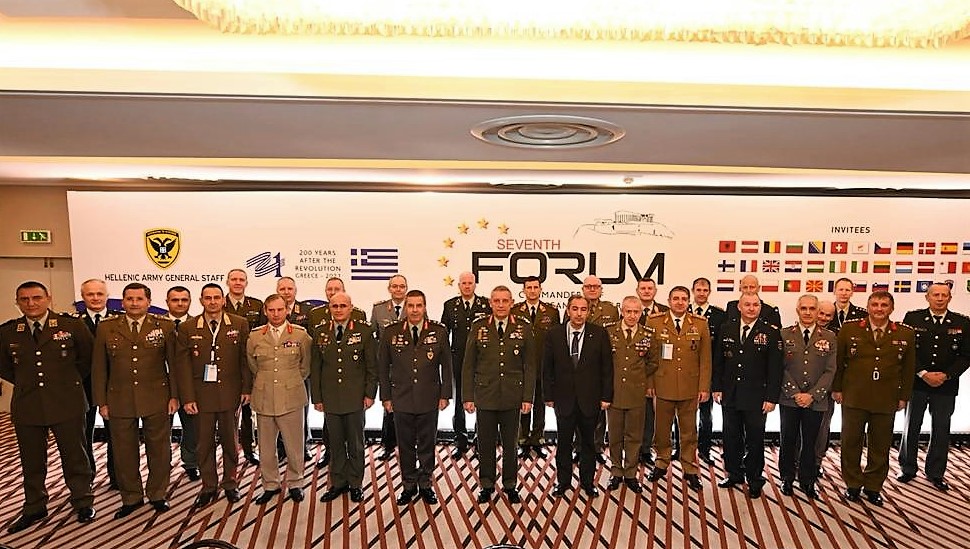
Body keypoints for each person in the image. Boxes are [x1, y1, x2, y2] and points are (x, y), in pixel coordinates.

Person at [1, 281, 96, 532]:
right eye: (24, 299)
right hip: (28, 404)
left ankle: (82, 501)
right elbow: (5, 367)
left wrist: (67, 382)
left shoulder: (71, 326)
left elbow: (87, 359)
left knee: (75, 456)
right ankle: (35, 506)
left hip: (67, 401)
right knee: (32, 460)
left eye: (36, 298)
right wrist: (28, 382)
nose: (31, 303)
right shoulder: (8, 332)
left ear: (48, 298)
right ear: (17, 302)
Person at [92, 282, 179, 518]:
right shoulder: (106, 327)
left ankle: (158, 493)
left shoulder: (165, 326)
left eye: (139, 299)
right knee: (123, 452)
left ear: (148, 302)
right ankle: (131, 497)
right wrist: (102, 402)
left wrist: (175, 396)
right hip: (119, 398)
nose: (134, 303)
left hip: (157, 396)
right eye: (129, 299)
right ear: (122, 302)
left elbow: (174, 365)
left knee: (159, 450)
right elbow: (99, 367)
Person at [833, 291, 915, 506]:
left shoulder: (905, 333)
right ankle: (852, 483)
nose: (879, 309)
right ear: (868, 307)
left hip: (886, 398)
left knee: (880, 445)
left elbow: (908, 369)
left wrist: (904, 396)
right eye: (875, 304)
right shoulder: (850, 329)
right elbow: (838, 362)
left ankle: (873, 486)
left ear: (891, 308)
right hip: (854, 396)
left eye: (884, 305)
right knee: (851, 442)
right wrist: (837, 388)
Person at [176, 283, 252, 508]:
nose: (212, 302)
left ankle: (230, 483)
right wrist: (187, 398)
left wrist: (246, 389)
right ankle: (208, 486)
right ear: (201, 301)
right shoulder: (188, 327)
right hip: (201, 396)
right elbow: (183, 367)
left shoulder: (239, 323)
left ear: (223, 300)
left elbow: (244, 360)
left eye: (216, 297)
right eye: (207, 298)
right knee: (204, 443)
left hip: (230, 393)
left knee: (231, 442)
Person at [463, 286, 536, 504]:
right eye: (497, 301)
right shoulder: (478, 326)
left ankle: (510, 484)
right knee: (485, 444)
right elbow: (469, 364)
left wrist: (528, 397)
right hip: (485, 394)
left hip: (512, 396)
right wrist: (468, 396)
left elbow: (530, 366)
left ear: (512, 302)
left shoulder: (523, 327)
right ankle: (486, 484)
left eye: (505, 301)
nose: (501, 305)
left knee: (511, 445)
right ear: (491, 303)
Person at [378, 290, 452, 506]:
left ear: (425, 307)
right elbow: (383, 367)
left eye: (419, 305)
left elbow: (447, 367)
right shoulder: (391, 332)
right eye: (410, 306)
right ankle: (409, 484)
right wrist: (386, 397)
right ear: (406, 307)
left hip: (429, 397)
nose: (415, 310)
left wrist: (445, 394)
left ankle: (426, 483)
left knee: (427, 444)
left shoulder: (438, 331)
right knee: (406, 445)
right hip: (401, 398)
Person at [898, 283, 970, 491]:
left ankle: (936, 472)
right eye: (935, 295)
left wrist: (946, 375)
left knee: (941, 428)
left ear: (949, 298)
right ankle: (907, 468)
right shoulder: (913, 318)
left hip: (946, 385)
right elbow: (907, 350)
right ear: (927, 297)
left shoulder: (962, 322)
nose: (939, 298)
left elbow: (966, 355)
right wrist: (923, 373)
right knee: (911, 425)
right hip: (917, 382)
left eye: (944, 295)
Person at [713, 292, 783, 499]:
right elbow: (718, 362)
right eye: (747, 304)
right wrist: (717, 387)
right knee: (731, 436)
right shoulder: (726, 328)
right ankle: (734, 473)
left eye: (755, 305)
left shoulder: (770, 332)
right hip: (731, 394)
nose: (752, 308)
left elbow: (775, 369)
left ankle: (754, 479)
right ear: (739, 307)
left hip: (756, 396)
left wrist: (771, 398)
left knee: (755, 439)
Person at [544, 295, 612, 499]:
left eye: (583, 309)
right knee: (564, 443)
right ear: (568, 310)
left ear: (588, 312)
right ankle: (563, 481)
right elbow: (547, 368)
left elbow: (607, 368)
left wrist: (606, 396)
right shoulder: (554, 333)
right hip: (563, 399)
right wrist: (548, 395)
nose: (579, 313)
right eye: (575, 309)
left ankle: (587, 482)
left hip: (590, 399)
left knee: (588, 444)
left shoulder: (599, 334)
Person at [312, 292, 377, 504]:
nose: (338, 309)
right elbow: (316, 368)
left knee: (356, 444)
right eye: (335, 306)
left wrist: (370, 394)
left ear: (351, 308)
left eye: (343, 306)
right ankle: (338, 482)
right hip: (331, 398)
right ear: (329, 308)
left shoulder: (364, 331)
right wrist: (317, 397)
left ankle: (356, 483)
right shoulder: (320, 331)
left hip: (355, 398)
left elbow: (371, 367)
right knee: (336, 443)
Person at [248, 293, 312, 504]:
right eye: (271, 310)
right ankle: (270, 484)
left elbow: (305, 366)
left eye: (280, 309)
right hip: (264, 396)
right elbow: (252, 365)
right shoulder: (255, 336)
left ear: (287, 310)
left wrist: (289, 380)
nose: (276, 314)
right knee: (266, 448)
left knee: (294, 445)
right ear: (265, 312)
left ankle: (295, 482)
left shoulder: (301, 335)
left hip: (291, 396)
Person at [646, 286, 711, 491]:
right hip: (662, 385)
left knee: (689, 431)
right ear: (669, 301)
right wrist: (649, 383)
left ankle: (689, 467)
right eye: (676, 298)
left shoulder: (700, 323)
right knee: (661, 430)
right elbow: (649, 356)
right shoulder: (654, 322)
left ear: (688, 302)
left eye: (684, 299)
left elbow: (705, 359)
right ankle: (661, 462)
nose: (680, 302)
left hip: (690, 386)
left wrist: (704, 387)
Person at [777, 295, 836, 500]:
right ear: (797, 310)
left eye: (812, 308)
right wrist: (794, 393)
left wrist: (812, 395)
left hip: (816, 400)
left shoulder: (829, 337)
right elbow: (780, 367)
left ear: (818, 311)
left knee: (811, 441)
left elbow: (830, 370)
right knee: (788, 439)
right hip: (789, 398)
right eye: (804, 308)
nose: (808, 312)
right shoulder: (784, 334)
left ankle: (808, 480)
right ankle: (786, 477)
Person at [73, 278, 122, 489]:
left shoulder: (120, 320)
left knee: (117, 434)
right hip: (82, 387)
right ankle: (87, 477)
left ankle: (117, 476)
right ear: (83, 297)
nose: (95, 298)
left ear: (107, 296)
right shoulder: (73, 323)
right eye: (90, 294)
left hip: (114, 386)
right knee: (83, 435)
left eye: (99, 294)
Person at [605, 296, 657, 493]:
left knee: (634, 436)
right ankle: (616, 471)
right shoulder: (609, 332)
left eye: (636, 312)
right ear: (622, 311)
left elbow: (653, 362)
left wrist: (639, 377)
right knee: (615, 435)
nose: (632, 315)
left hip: (637, 392)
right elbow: (603, 361)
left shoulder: (648, 334)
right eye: (629, 311)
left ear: (641, 313)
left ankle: (630, 473)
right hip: (614, 391)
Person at [440, 272, 491, 459]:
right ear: (459, 285)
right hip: (458, 360)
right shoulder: (450, 305)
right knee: (459, 401)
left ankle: (480, 440)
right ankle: (460, 441)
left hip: (482, 360)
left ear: (475, 284)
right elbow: (443, 335)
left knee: (482, 400)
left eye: (470, 283)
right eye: (464, 283)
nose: (467, 286)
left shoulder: (485, 305)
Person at [511, 275, 558, 459]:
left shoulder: (551, 312)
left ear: (540, 289)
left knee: (540, 405)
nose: (532, 290)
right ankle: (522, 440)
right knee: (523, 404)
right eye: (529, 287)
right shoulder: (515, 311)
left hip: (542, 366)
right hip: (520, 367)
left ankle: (538, 439)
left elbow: (555, 341)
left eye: (535, 287)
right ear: (523, 290)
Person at [225, 268, 265, 467]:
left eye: (241, 279)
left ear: (246, 283)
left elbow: (264, 332)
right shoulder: (218, 303)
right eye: (234, 279)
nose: (237, 282)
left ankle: (249, 450)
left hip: (249, 364)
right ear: (228, 282)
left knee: (249, 412)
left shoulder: (257, 305)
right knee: (226, 413)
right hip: (226, 366)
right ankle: (228, 451)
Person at [163, 286, 199, 482]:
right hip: (161, 386)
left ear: (190, 302)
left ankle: (191, 463)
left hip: (189, 386)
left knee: (192, 428)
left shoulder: (197, 325)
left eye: (184, 300)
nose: (179, 303)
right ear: (167, 302)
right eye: (175, 300)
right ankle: (163, 464)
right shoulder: (157, 325)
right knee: (161, 430)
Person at [371, 274, 409, 461]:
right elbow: (372, 336)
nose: (398, 289)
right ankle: (387, 445)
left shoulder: (414, 307)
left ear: (406, 289)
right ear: (389, 289)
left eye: (402, 286)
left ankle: (408, 445)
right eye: (395, 286)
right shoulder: (379, 309)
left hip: (408, 366)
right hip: (387, 366)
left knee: (409, 407)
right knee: (388, 406)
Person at [276, 276, 313, 461]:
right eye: (282, 289)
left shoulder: (306, 311)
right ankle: (281, 447)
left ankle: (302, 446)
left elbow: (310, 342)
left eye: (289, 289)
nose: (286, 292)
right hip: (277, 370)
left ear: (295, 290)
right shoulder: (269, 310)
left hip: (299, 371)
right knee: (277, 410)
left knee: (301, 411)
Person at [690, 277, 725, 465]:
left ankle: (704, 449)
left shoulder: (719, 315)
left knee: (706, 414)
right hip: (685, 372)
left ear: (709, 292)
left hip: (707, 371)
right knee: (684, 414)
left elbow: (719, 349)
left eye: (705, 290)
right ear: (693, 291)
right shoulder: (684, 311)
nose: (702, 293)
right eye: (698, 290)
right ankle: (681, 448)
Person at [814, 299, 838, 473]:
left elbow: (837, 365)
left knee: (822, 429)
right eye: (821, 313)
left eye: (828, 315)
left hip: (826, 390)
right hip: (801, 390)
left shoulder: (836, 335)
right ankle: (796, 461)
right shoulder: (797, 331)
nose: (823, 317)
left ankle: (816, 462)